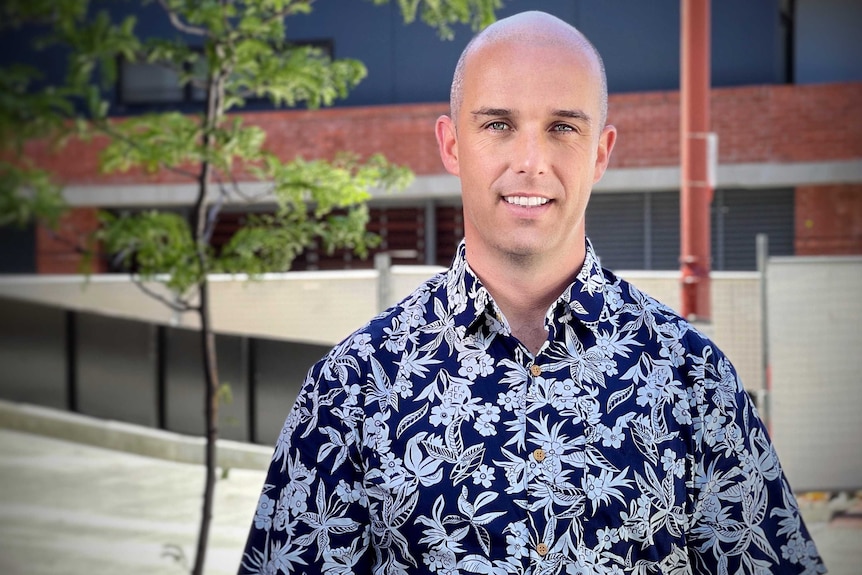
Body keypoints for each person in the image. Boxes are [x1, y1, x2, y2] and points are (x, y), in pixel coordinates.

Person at [238, 11, 825, 575]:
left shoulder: (693, 381)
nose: (530, 162)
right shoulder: (350, 390)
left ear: (600, 152)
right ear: (451, 145)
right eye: (498, 125)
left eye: (562, 128)